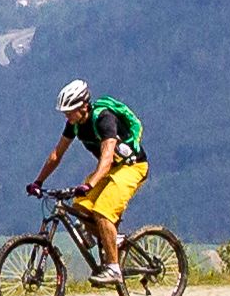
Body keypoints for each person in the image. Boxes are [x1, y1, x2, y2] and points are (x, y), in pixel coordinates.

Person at [29, 80, 147, 272]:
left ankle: (113, 268)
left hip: (132, 167)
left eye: (70, 111)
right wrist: (38, 181)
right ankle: (111, 238)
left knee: (102, 211)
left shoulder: (104, 119)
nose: (67, 116)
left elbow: (107, 157)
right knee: (81, 208)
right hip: (111, 169)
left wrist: (90, 184)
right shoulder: (74, 124)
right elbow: (57, 154)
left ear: (83, 106)